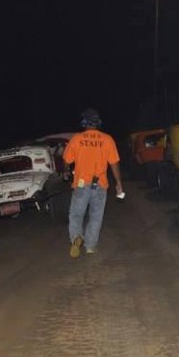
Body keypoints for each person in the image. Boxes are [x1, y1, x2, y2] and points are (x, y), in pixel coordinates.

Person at [63, 108, 124, 258]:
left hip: (81, 184)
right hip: (100, 184)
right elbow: (114, 164)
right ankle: (90, 246)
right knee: (96, 216)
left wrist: (66, 171)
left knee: (76, 214)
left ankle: (76, 237)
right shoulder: (107, 139)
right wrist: (119, 183)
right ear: (98, 123)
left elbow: (66, 160)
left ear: (84, 122)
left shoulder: (77, 139)